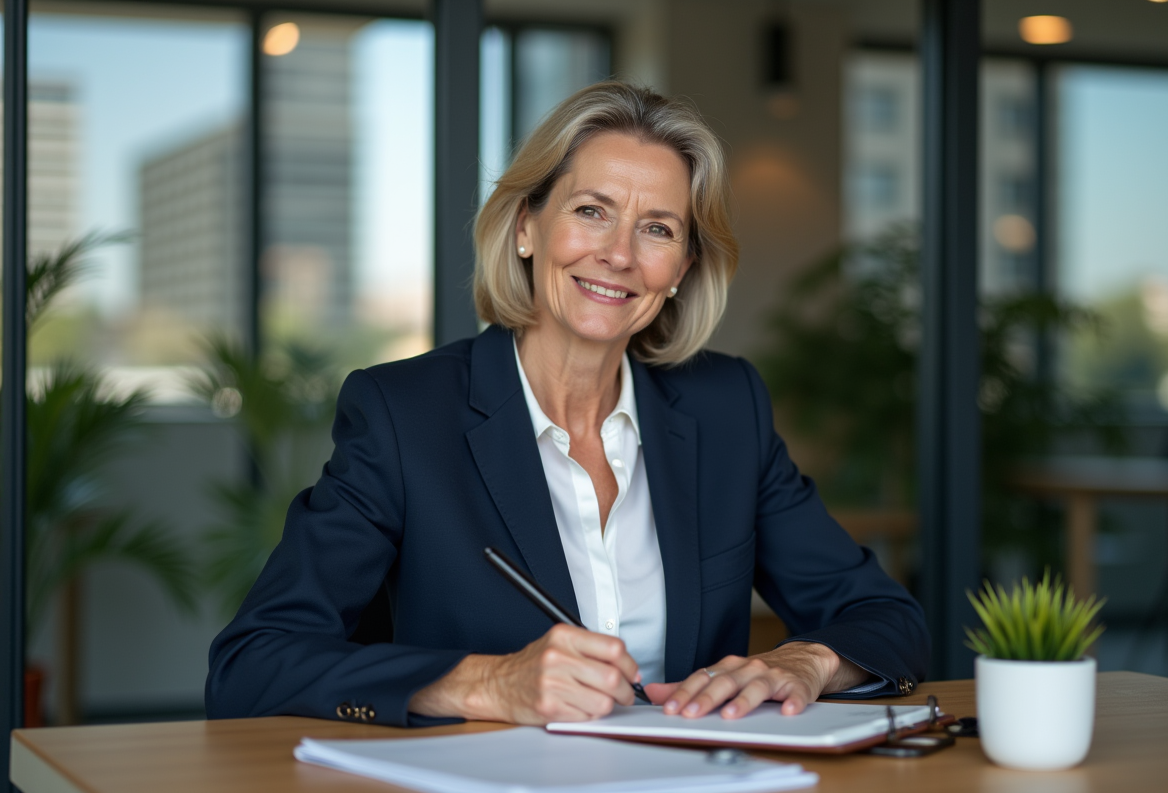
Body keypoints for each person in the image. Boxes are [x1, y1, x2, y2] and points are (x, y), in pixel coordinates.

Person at [206, 81, 929, 728]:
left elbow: (885, 617)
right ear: (526, 228)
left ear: (680, 269)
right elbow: (253, 663)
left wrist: (806, 662)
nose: (619, 254)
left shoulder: (725, 407)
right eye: (592, 211)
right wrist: (484, 683)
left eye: (657, 228)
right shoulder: (404, 416)